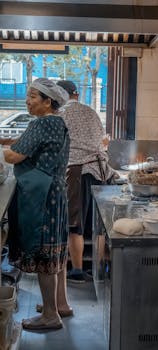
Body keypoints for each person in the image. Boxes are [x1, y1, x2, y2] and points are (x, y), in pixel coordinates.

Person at [0, 78, 72, 331]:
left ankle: (51, 315)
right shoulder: (58, 122)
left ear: (47, 102)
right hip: (55, 194)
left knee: (45, 255)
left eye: (32, 96)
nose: (27, 101)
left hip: (42, 198)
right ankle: (60, 304)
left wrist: (3, 152)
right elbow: (23, 143)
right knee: (55, 251)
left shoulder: (42, 123)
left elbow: (14, 155)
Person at [56, 80, 116, 283]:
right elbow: (102, 141)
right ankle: (98, 270)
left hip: (77, 171)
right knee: (98, 225)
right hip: (101, 171)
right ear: (76, 94)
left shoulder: (61, 113)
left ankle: (78, 270)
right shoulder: (91, 112)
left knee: (75, 223)